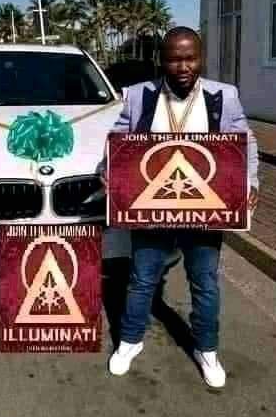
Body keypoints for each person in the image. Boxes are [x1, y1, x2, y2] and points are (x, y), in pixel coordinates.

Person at [101, 27, 259, 389]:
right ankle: (129, 340)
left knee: (204, 282)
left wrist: (249, 183)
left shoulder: (225, 96)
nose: (183, 66)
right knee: (142, 279)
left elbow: (246, 142)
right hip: (151, 208)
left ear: (201, 58)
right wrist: (108, 171)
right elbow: (117, 141)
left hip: (205, 209)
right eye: (174, 59)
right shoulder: (138, 96)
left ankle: (207, 348)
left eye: (190, 58)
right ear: (162, 60)